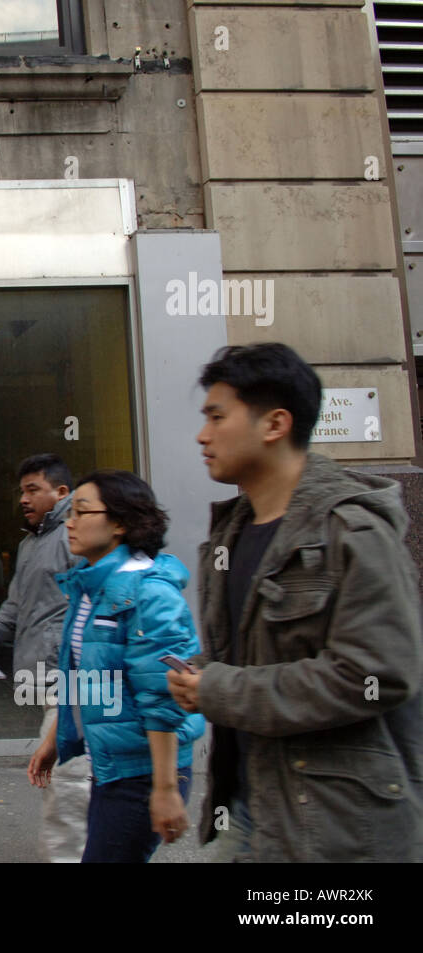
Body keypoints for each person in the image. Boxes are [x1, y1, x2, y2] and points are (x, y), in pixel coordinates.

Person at [168, 343, 423, 861]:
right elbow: (252, 658)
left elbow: (376, 676)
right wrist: (197, 673)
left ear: (275, 424)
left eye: (217, 416)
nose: (203, 434)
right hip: (249, 807)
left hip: (335, 827)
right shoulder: (230, 534)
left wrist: (219, 688)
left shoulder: (351, 530)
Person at [27, 470, 205, 862]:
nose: (69, 522)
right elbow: (85, 675)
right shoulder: (92, 587)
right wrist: (57, 738)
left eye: (81, 512)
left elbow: (161, 698)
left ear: (121, 523)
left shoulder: (148, 591)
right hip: (111, 766)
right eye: (69, 512)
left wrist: (164, 788)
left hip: (142, 775)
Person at [0, 453, 88, 861]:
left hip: (70, 675)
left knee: (66, 779)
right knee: (72, 773)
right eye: (22, 491)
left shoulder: (78, 536)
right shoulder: (30, 543)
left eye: (33, 490)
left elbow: (94, 604)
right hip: (46, 671)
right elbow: (17, 603)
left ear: (62, 493)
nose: (24, 498)